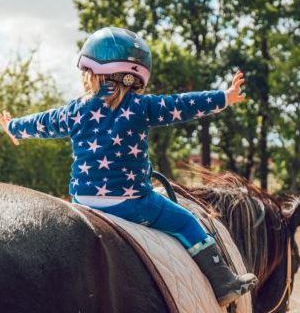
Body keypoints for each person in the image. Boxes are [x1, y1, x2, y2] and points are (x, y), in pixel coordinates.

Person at [0, 27, 257, 306]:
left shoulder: (75, 110)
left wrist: (14, 127)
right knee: (186, 221)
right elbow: (183, 104)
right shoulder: (141, 107)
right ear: (137, 76)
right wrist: (224, 97)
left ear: (89, 73)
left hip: (83, 201)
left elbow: (44, 122)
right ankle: (223, 282)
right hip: (132, 202)